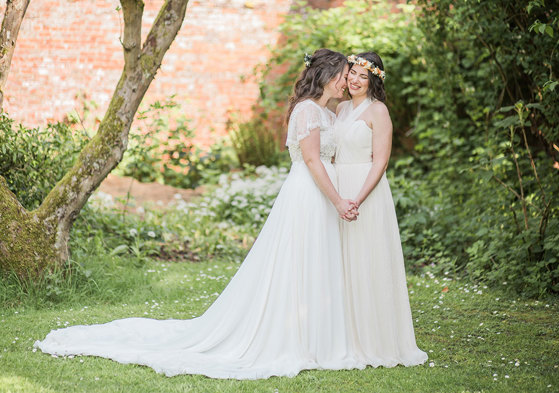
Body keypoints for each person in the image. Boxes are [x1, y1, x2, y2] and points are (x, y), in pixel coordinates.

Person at [34, 49, 362, 380]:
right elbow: (312, 161)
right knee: (298, 261)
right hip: (309, 195)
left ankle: (318, 334)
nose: (346, 82)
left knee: (318, 260)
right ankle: (295, 337)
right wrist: (337, 200)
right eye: (343, 75)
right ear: (327, 77)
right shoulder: (307, 111)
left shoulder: (331, 114)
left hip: (325, 194)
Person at [334, 52, 428, 367]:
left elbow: (381, 161)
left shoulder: (379, 111)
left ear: (374, 79)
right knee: (343, 262)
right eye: (352, 74)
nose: (354, 80)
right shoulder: (341, 108)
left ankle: (375, 339)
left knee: (367, 260)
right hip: (340, 189)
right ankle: (344, 335)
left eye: (362, 75)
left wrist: (358, 198)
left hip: (367, 192)